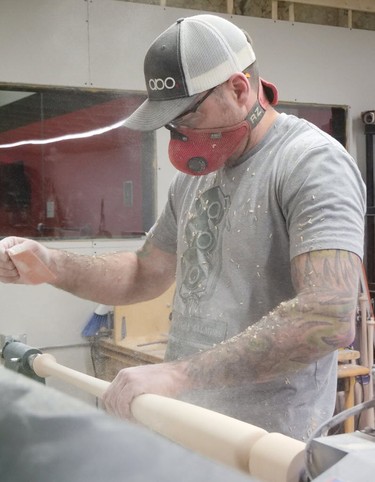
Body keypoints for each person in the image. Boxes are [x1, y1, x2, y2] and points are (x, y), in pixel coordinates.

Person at [0, 14, 366, 441]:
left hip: (265, 445)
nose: (178, 132)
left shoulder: (310, 164)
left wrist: (177, 375)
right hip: (188, 426)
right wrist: (54, 265)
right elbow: (143, 273)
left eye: (188, 115)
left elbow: (327, 316)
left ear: (238, 88)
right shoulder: (194, 178)